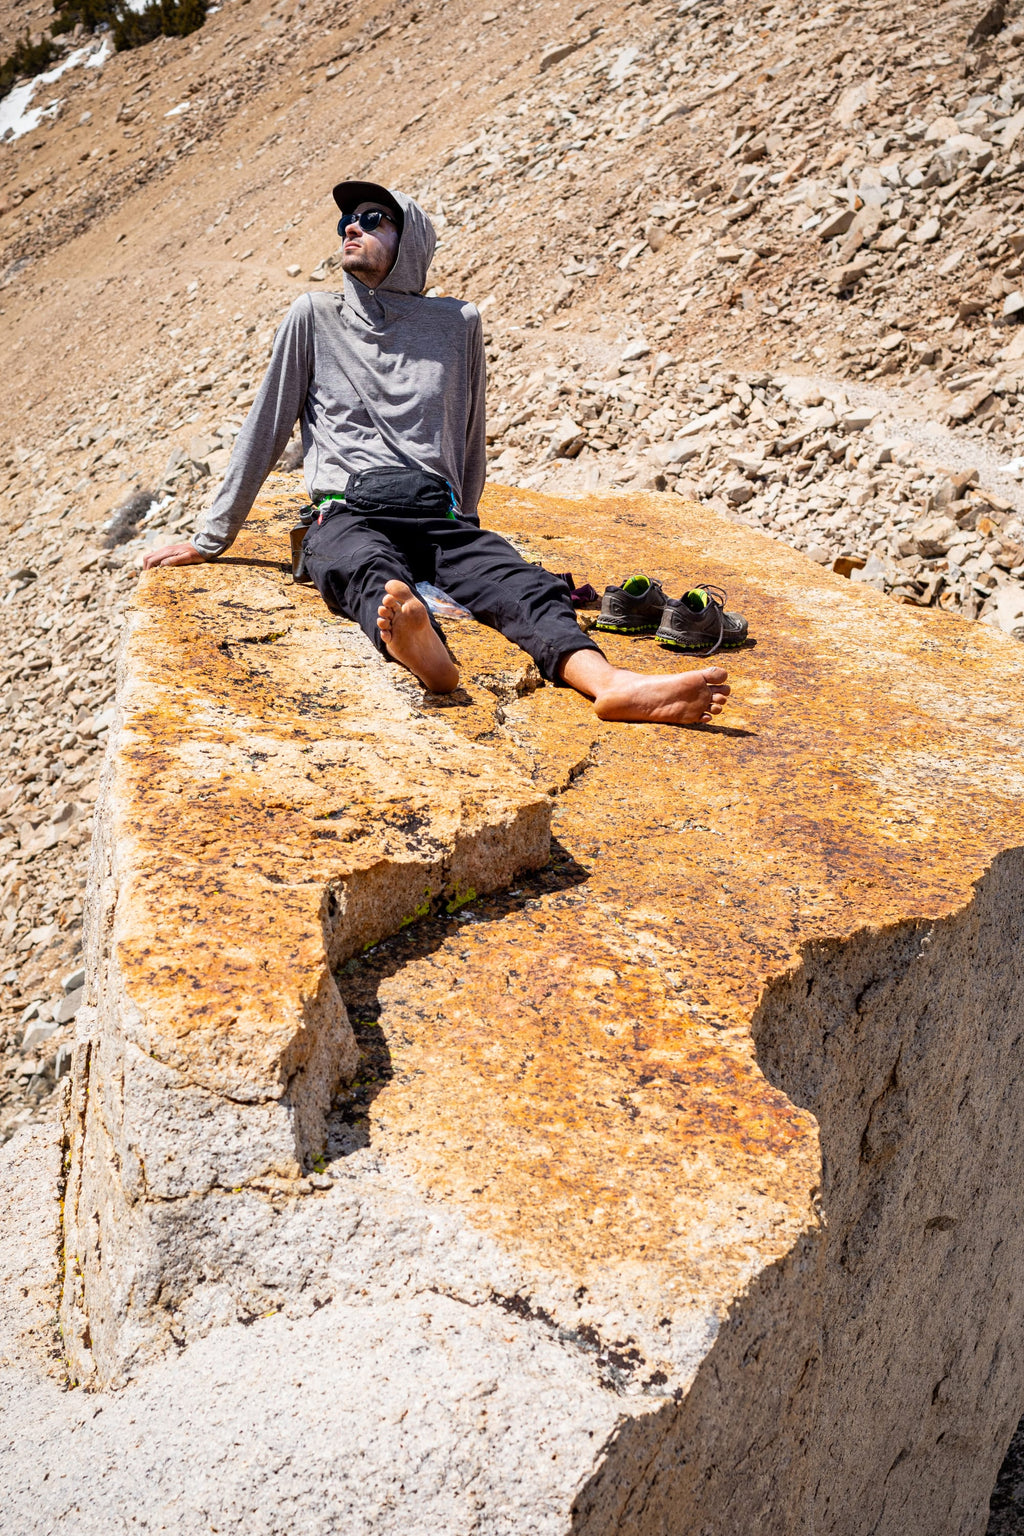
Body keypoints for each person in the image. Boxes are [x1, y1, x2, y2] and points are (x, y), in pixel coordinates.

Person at [144, 180, 731, 726]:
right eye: (347, 219)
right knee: (364, 567)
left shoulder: (458, 323)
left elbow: (467, 431)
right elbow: (266, 426)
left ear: (412, 240)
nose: (352, 226)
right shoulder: (314, 316)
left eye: (373, 219)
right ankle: (427, 656)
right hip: (346, 510)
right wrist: (210, 538)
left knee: (523, 585)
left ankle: (610, 685)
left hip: (436, 516)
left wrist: (469, 532)